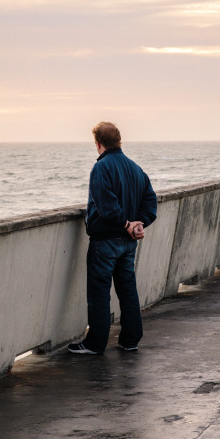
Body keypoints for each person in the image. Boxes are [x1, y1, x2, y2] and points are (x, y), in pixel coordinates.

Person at [68, 121, 157, 355]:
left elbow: (107, 208)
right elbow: (151, 202)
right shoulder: (136, 169)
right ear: (119, 141)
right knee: (127, 290)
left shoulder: (101, 168)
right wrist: (140, 223)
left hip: (105, 240)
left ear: (98, 144)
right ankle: (130, 340)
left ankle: (95, 344)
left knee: (99, 293)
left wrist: (127, 224)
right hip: (128, 243)